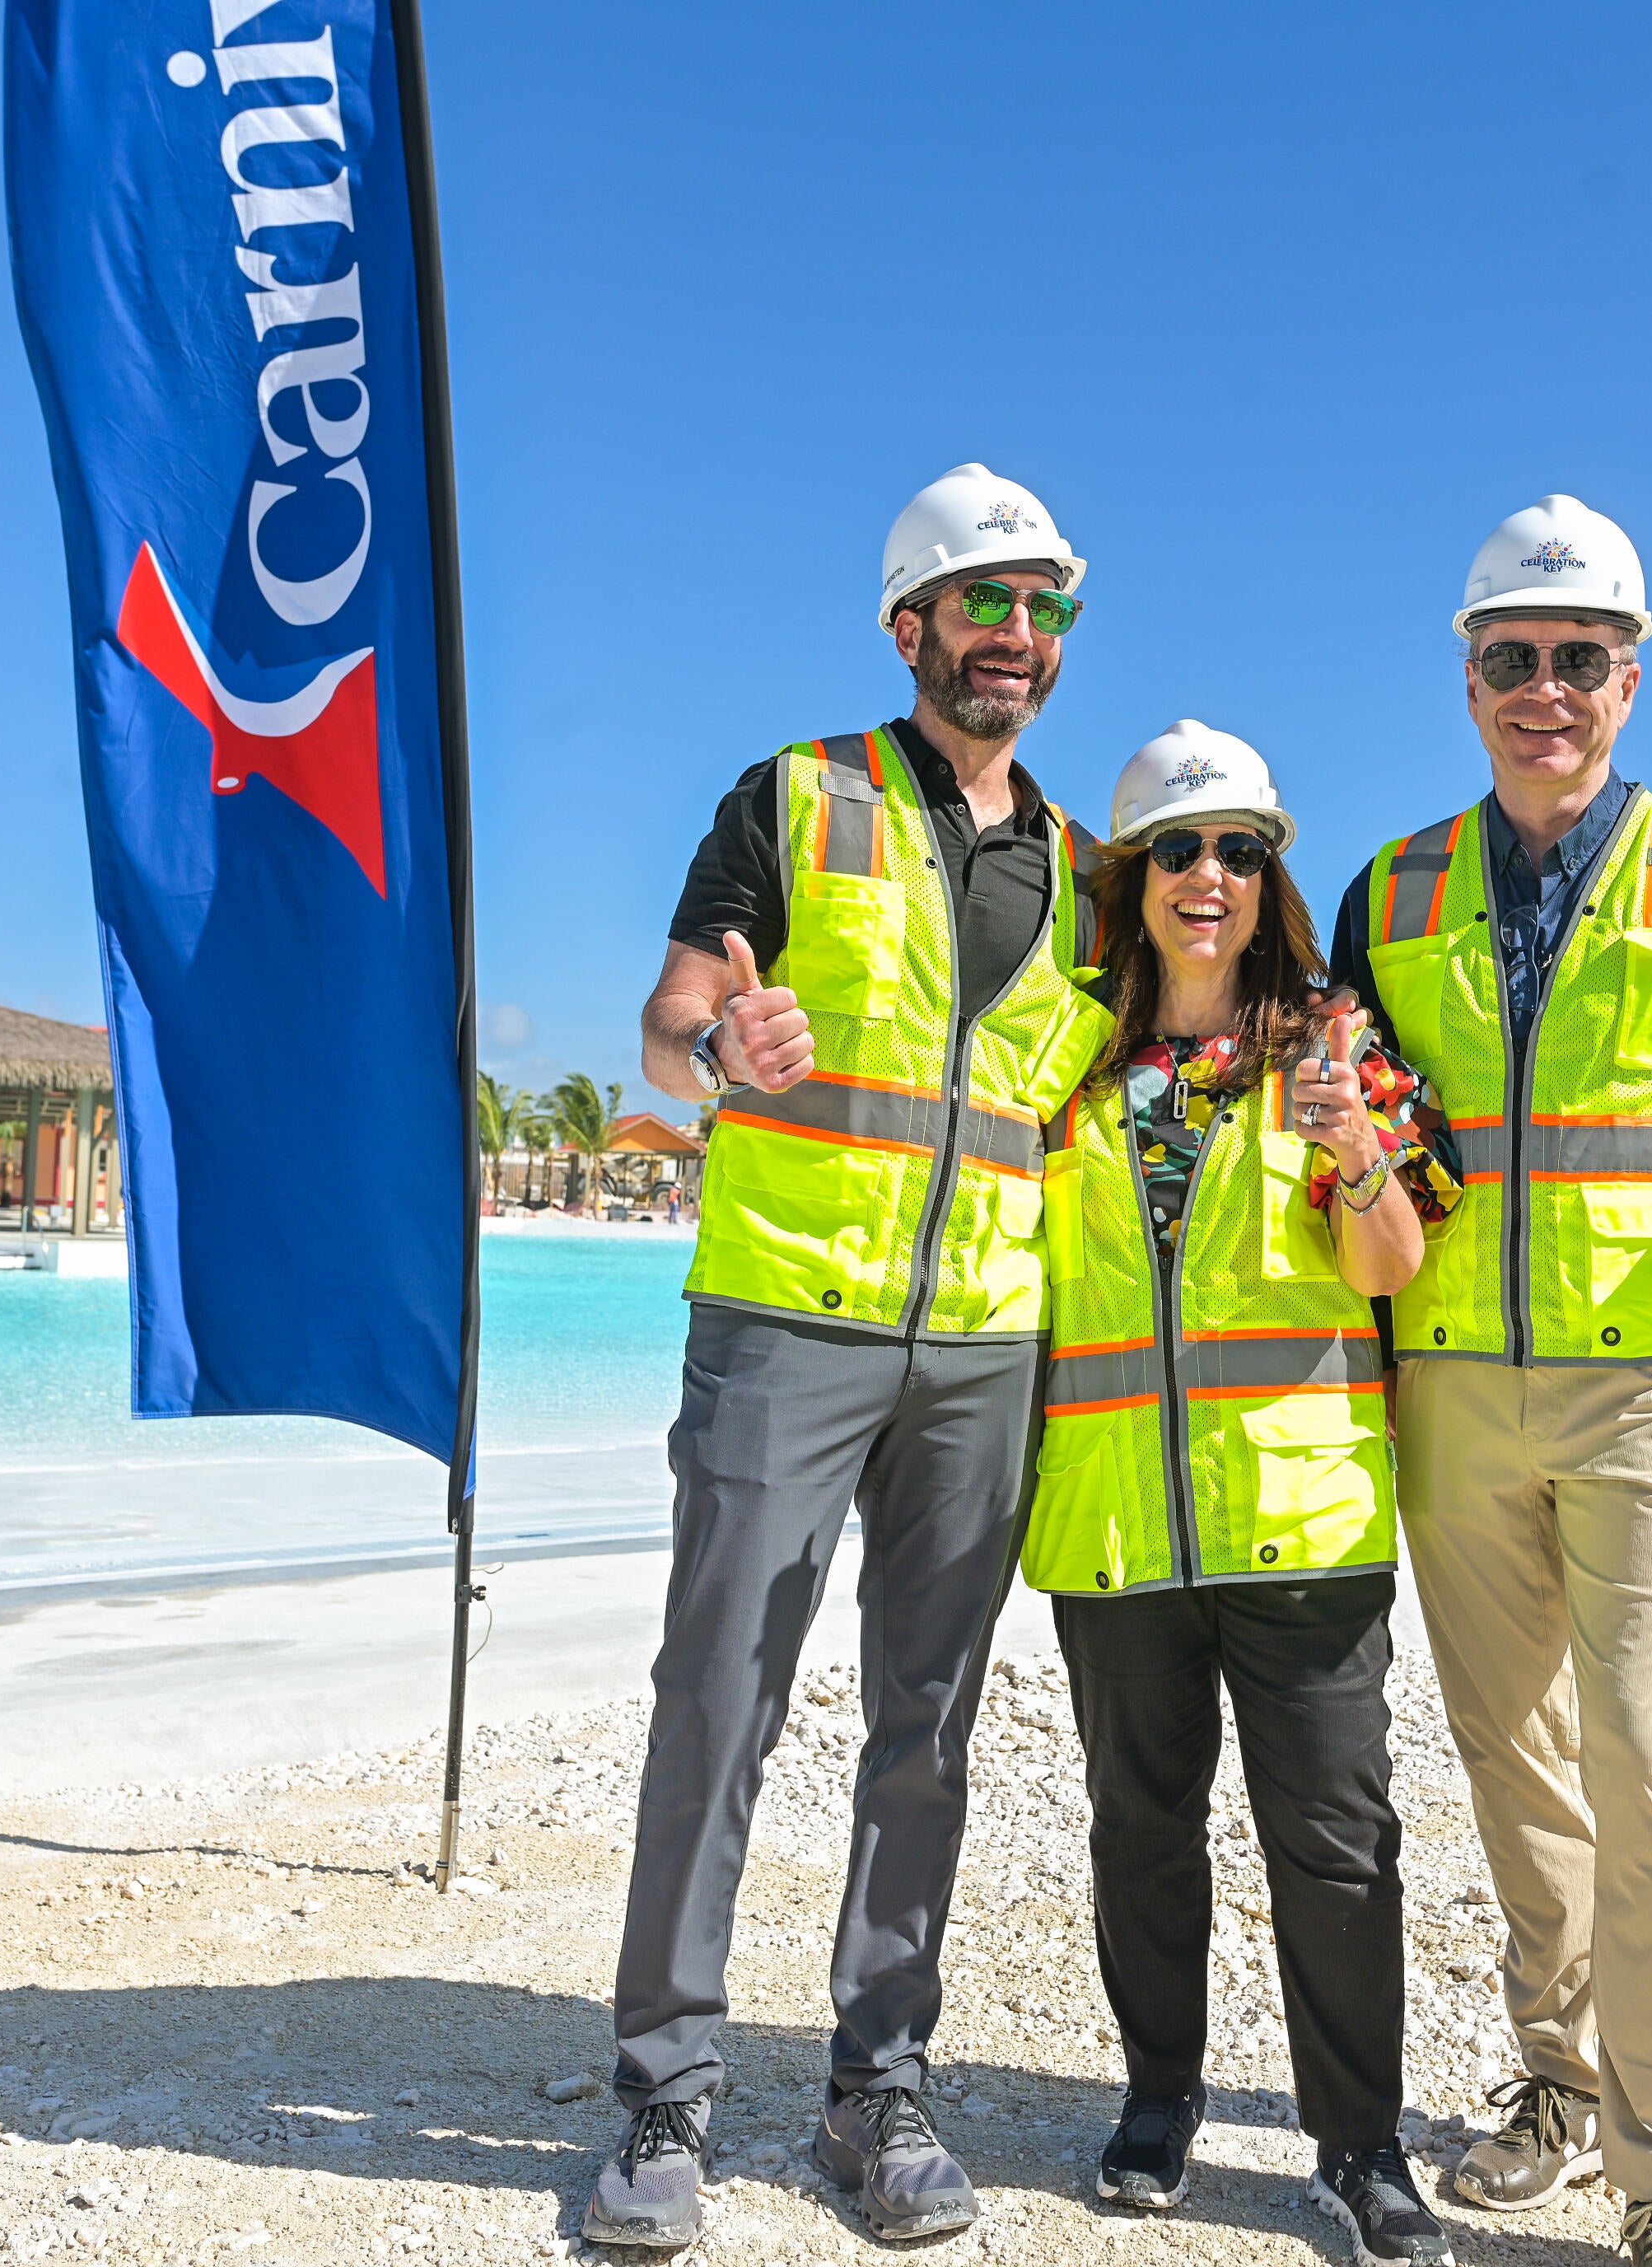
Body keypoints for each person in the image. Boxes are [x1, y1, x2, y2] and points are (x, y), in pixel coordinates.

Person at [1328, 497, 1652, 2267]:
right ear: (1468, 678)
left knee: (1647, 1749)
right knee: (1513, 1755)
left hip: (1649, 1388)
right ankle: (1555, 2077)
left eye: (1578, 659)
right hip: (1455, 1390)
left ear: (1630, 678)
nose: (1543, 690)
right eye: (1511, 660)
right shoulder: (1390, 890)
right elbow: (1351, 1130)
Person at [586, 466, 1118, 2251]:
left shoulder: (1091, 873)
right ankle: (664, 2094)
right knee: (719, 1696)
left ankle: (873, 2088)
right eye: (984, 604)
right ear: (912, 627)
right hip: (784, 1322)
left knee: (931, 1725)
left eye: (1042, 610)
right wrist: (721, 1041)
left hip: (981, 1343)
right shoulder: (794, 796)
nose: (1017, 639)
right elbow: (666, 1030)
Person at [1024, 723, 1464, 2265]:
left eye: (1241, 852)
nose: (1209, 878)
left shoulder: (1336, 1044)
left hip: (1304, 1516)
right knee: (1141, 1825)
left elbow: (1394, 1267)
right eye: (1178, 851)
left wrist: (1355, 1159)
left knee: (1335, 1843)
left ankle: (1361, 2148)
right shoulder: (1064, 1057)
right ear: (1132, 877)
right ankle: (1158, 2103)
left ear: (1271, 879)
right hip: (1112, 1519)